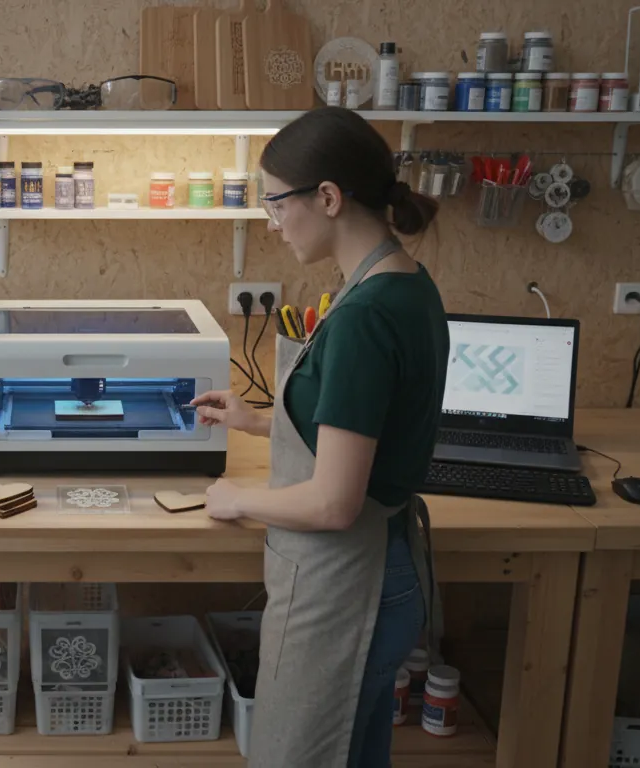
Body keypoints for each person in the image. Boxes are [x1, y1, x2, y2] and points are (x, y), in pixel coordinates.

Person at [190, 107, 449, 767]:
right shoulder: (407, 286)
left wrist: (236, 498)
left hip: (351, 582)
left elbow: (334, 502)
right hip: (384, 569)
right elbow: (360, 427)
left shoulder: (364, 317)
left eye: (275, 204)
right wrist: (257, 419)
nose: (272, 224)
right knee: (355, 754)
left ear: (328, 198)